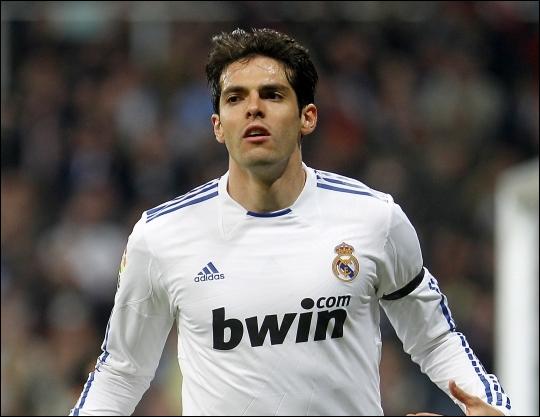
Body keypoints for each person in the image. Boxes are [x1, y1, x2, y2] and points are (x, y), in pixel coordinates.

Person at [70, 28, 511, 416]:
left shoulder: (374, 219)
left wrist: (493, 407)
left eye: (272, 95)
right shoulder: (161, 236)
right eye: (235, 98)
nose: (253, 109)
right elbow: (122, 371)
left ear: (307, 117)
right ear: (218, 126)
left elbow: (434, 338)